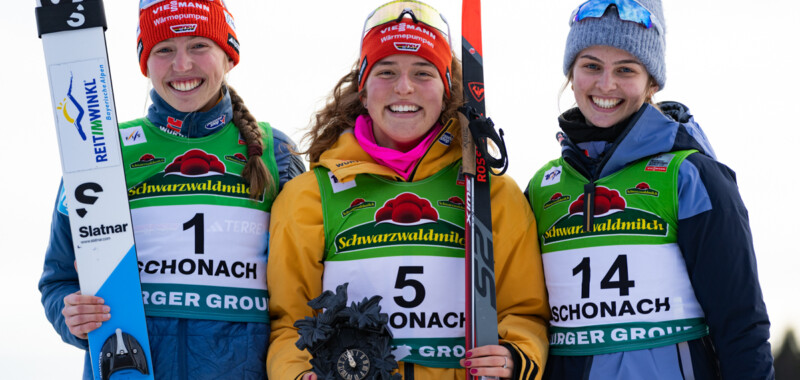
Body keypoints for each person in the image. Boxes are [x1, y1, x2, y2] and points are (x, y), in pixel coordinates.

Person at [266, 1, 549, 379]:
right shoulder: (310, 196)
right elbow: (289, 323)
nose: (404, 87)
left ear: (447, 90)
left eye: (423, 72)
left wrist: (516, 357)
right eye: (386, 72)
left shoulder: (492, 192)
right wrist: (296, 374)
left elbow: (525, 313)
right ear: (363, 91)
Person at [38, 1, 305, 378]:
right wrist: (73, 314)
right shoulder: (103, 151)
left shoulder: (274, 151)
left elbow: (307, 281)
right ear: (145, 63)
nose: (182, 65)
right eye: (164, 49)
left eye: (199, 45)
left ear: (229, 55)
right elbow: (59, 277)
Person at [525, 0, 774, 378]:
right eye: (591, 66)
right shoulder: (542, 189)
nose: (606, 84)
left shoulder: (690, 177)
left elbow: (741, 326)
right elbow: (527, 318)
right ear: (571, 74)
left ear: (651, 82)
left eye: (626, 70)